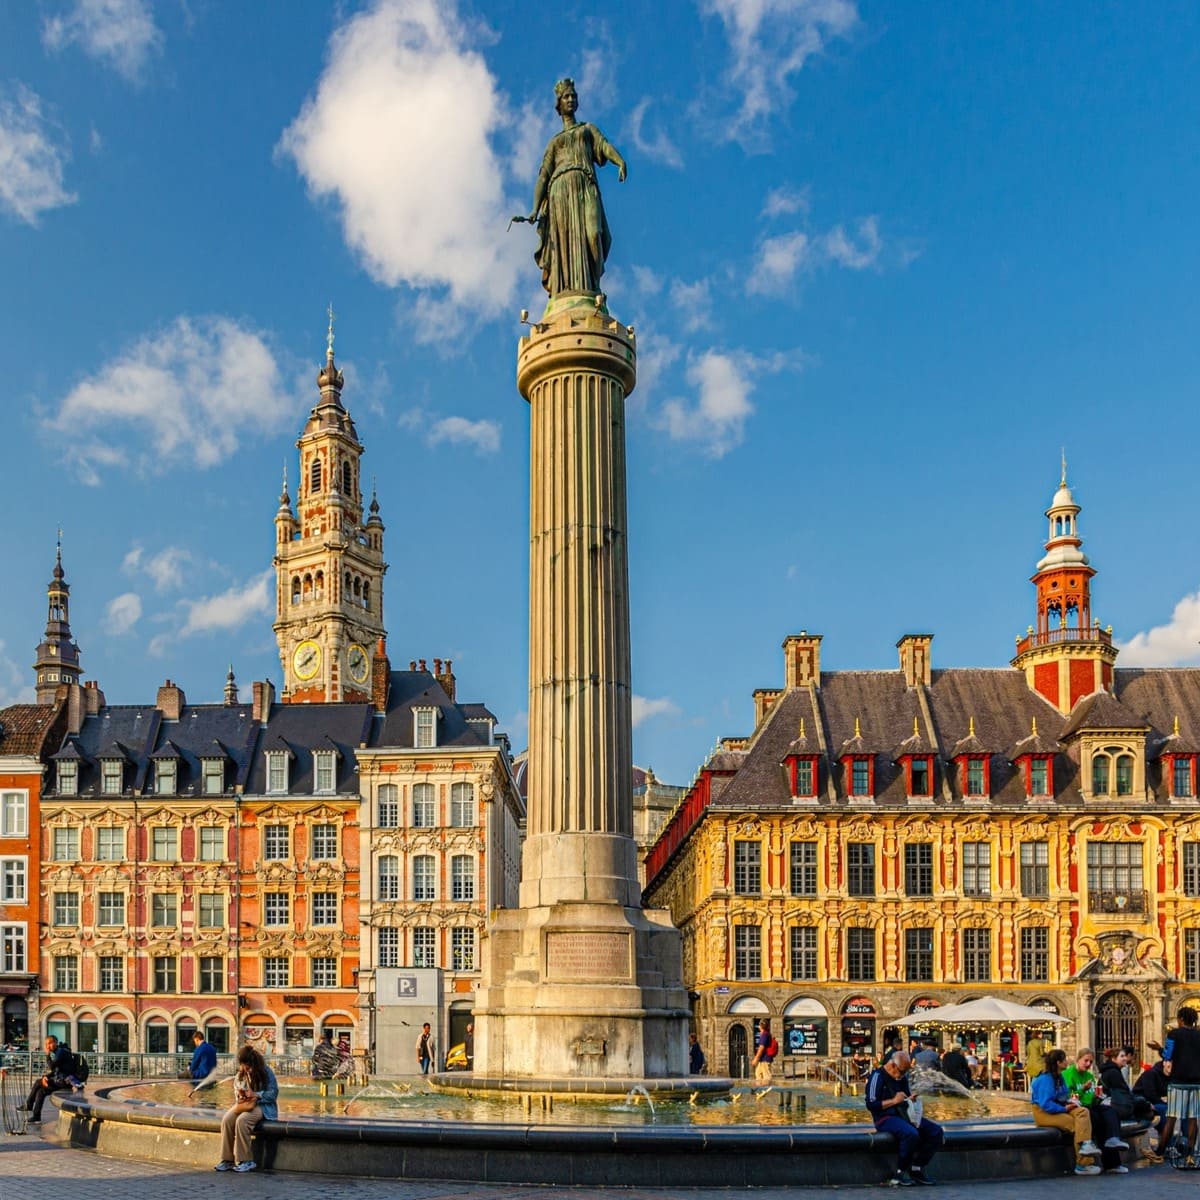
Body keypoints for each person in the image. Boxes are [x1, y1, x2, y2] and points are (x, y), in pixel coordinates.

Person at [528, 79, 627, 298]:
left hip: (584, 185)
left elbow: (604, 146)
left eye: (573, 96)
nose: (571, 99)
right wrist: (535, 209)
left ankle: (593, 288)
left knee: (594, 234)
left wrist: (619, 161)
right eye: (566, 97)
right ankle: (566, 291)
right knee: (564, 243)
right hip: (560, 192)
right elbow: (544, 175)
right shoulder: (555, 142)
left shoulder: (587, 130)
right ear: (559, 104)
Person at [865, 1050, 945, 1186]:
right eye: (902, 1071)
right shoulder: (877, 1076)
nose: (902, 1075)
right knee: (910, 1133)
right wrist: (894, 1101)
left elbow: (906, 1096)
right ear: (893, 1065)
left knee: (936, 1131)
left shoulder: (901, 1077)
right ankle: (899, 1173)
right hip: (884, 1118)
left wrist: (911, 1098)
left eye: (905, 1072)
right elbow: (871, 1104)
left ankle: (917, 1168)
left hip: (904, 1115)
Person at [1031, 1048, 1103, 1175]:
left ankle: (1086, 1145)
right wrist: (1064, 1109)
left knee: (1083, 1112)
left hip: (1059, 1106)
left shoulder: (1059, 1077)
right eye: (1064, 1060)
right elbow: (1045, 1104)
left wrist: (1071, 1102)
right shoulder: (1045, 1079)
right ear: (1058, 1063)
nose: (1067, 1062)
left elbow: (1064, 1095)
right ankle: (1083, 1164)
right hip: (1044, 1113)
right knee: (1076, 1124)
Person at [1063, 1047, 1129, 1173]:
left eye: (1091, 1062)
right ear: (1078, 1060)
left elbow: (1091, 1097)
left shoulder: (1089, 1076)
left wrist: (1098, 1097)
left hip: (1090, 1106)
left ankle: (1113, 1140)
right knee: (1098, 1120)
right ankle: (1109, 1162)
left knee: (1110, 1111)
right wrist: (1082, 1089)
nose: (1088, 1064)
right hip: (1077, 1108)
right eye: (1085, 1061)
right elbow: (1067, 1097)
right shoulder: (1068, 1075)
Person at [214, 1045, 278, 1173]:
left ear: (254, 1063)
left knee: (243, 1120)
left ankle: (246, 1161)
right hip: (245, 1104)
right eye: (243, 1066)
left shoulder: (266, 1072)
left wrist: (257, 1094)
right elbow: (236, 1089)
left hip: (262, 1105)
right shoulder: (241, 1074)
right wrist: (240, 1095)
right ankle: (227, 1160)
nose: (245, 1070)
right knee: (227, 1119)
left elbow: (273, 1093)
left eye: (248, 1067)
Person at [1160, 1005, 1200, 1165]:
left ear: (1181, 1019)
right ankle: (1190, 1154)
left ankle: (1160, 1150)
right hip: (1197, 1082)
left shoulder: (1174, 1034)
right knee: (1193, 1118)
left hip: (1178, 1081)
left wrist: (1158, 1049)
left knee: (1171, 1117)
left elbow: (1167, 1055)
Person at [24, 1035, 74, 1121]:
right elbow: (55, 1070)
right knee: (41, 1091)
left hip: (64, 1082)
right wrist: (45, 1077)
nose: (47, 1046)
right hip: (60, 1081)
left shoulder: (60, 1052)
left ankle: (29, 1105)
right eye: (46, 1044)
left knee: (37, 1082)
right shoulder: (58, 1052)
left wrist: (47, 1055)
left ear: (55, 1043)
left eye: (49, 1043)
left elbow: (51, 1066)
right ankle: (36, 1116)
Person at [1134, 1048, 1169, 1161]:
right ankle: (1166, 1144)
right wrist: (1163, 1101)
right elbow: (1150, 1094)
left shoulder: (1170, 1076)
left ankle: (1182, 1142)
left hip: (1153, 1103)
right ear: (1164, 1062)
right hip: (1141, 1104)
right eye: (1169, 1065)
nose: (1172, 1069)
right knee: (1164, 1110)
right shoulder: (1151, 1073)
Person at [751, 1019, 777, 1083]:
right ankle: (760, 1089)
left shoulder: (765, 1035)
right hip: (762, 1060)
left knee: (766, 1077)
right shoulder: (766, 1034)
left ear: (760, 1026)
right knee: (758, 1074)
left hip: (765, 1059)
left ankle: (766, 1090)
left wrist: (756, 1059)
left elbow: (761, 1047)